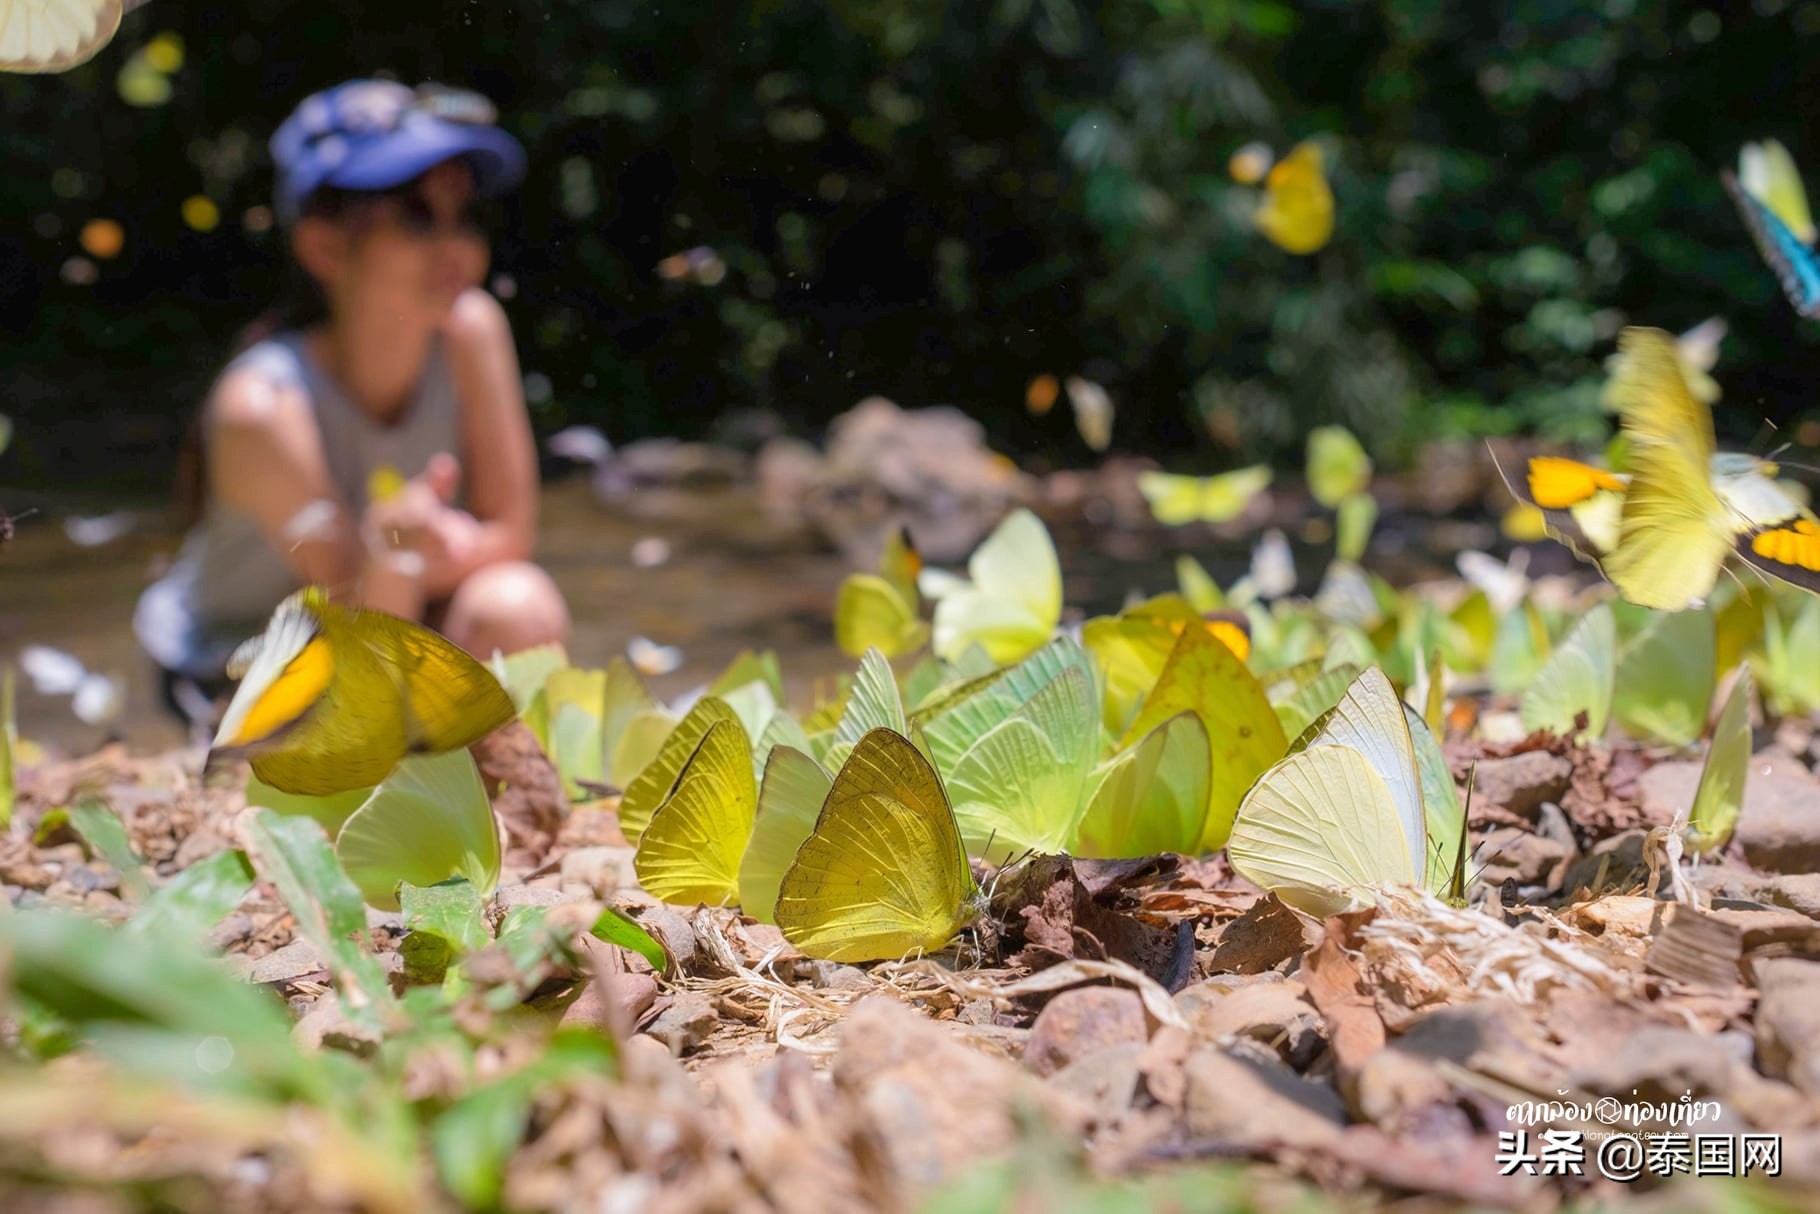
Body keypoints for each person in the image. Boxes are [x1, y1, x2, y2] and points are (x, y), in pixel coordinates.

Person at [136, 79, 569, 722]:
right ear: (325, 247)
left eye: (467, 217)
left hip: (384, 608)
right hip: (242, 661)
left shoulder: (471, 329)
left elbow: (511, 536)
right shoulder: (261, 406)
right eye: (419, 217)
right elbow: (352, 617)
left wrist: (420, 550)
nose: (457, 248)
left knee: (519, 604)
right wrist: (396, 547)